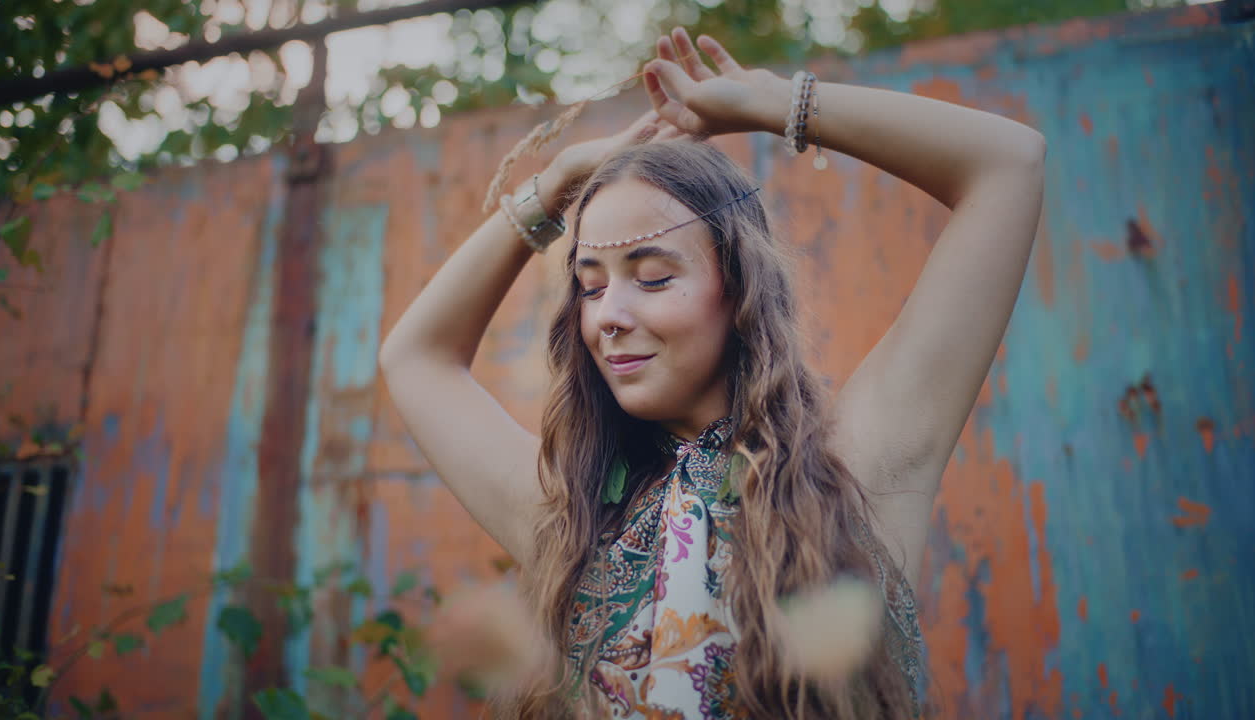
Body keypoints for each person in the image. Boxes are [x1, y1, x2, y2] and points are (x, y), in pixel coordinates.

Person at [380, 26, 1046, 720]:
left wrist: (776, 102)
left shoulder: (854, 469)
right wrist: (558, 182)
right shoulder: (574, 517)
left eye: (653, 277)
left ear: (739, 292)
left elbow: (1011, 164)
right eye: (590, 283)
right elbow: (414, 358)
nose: (609, 313)